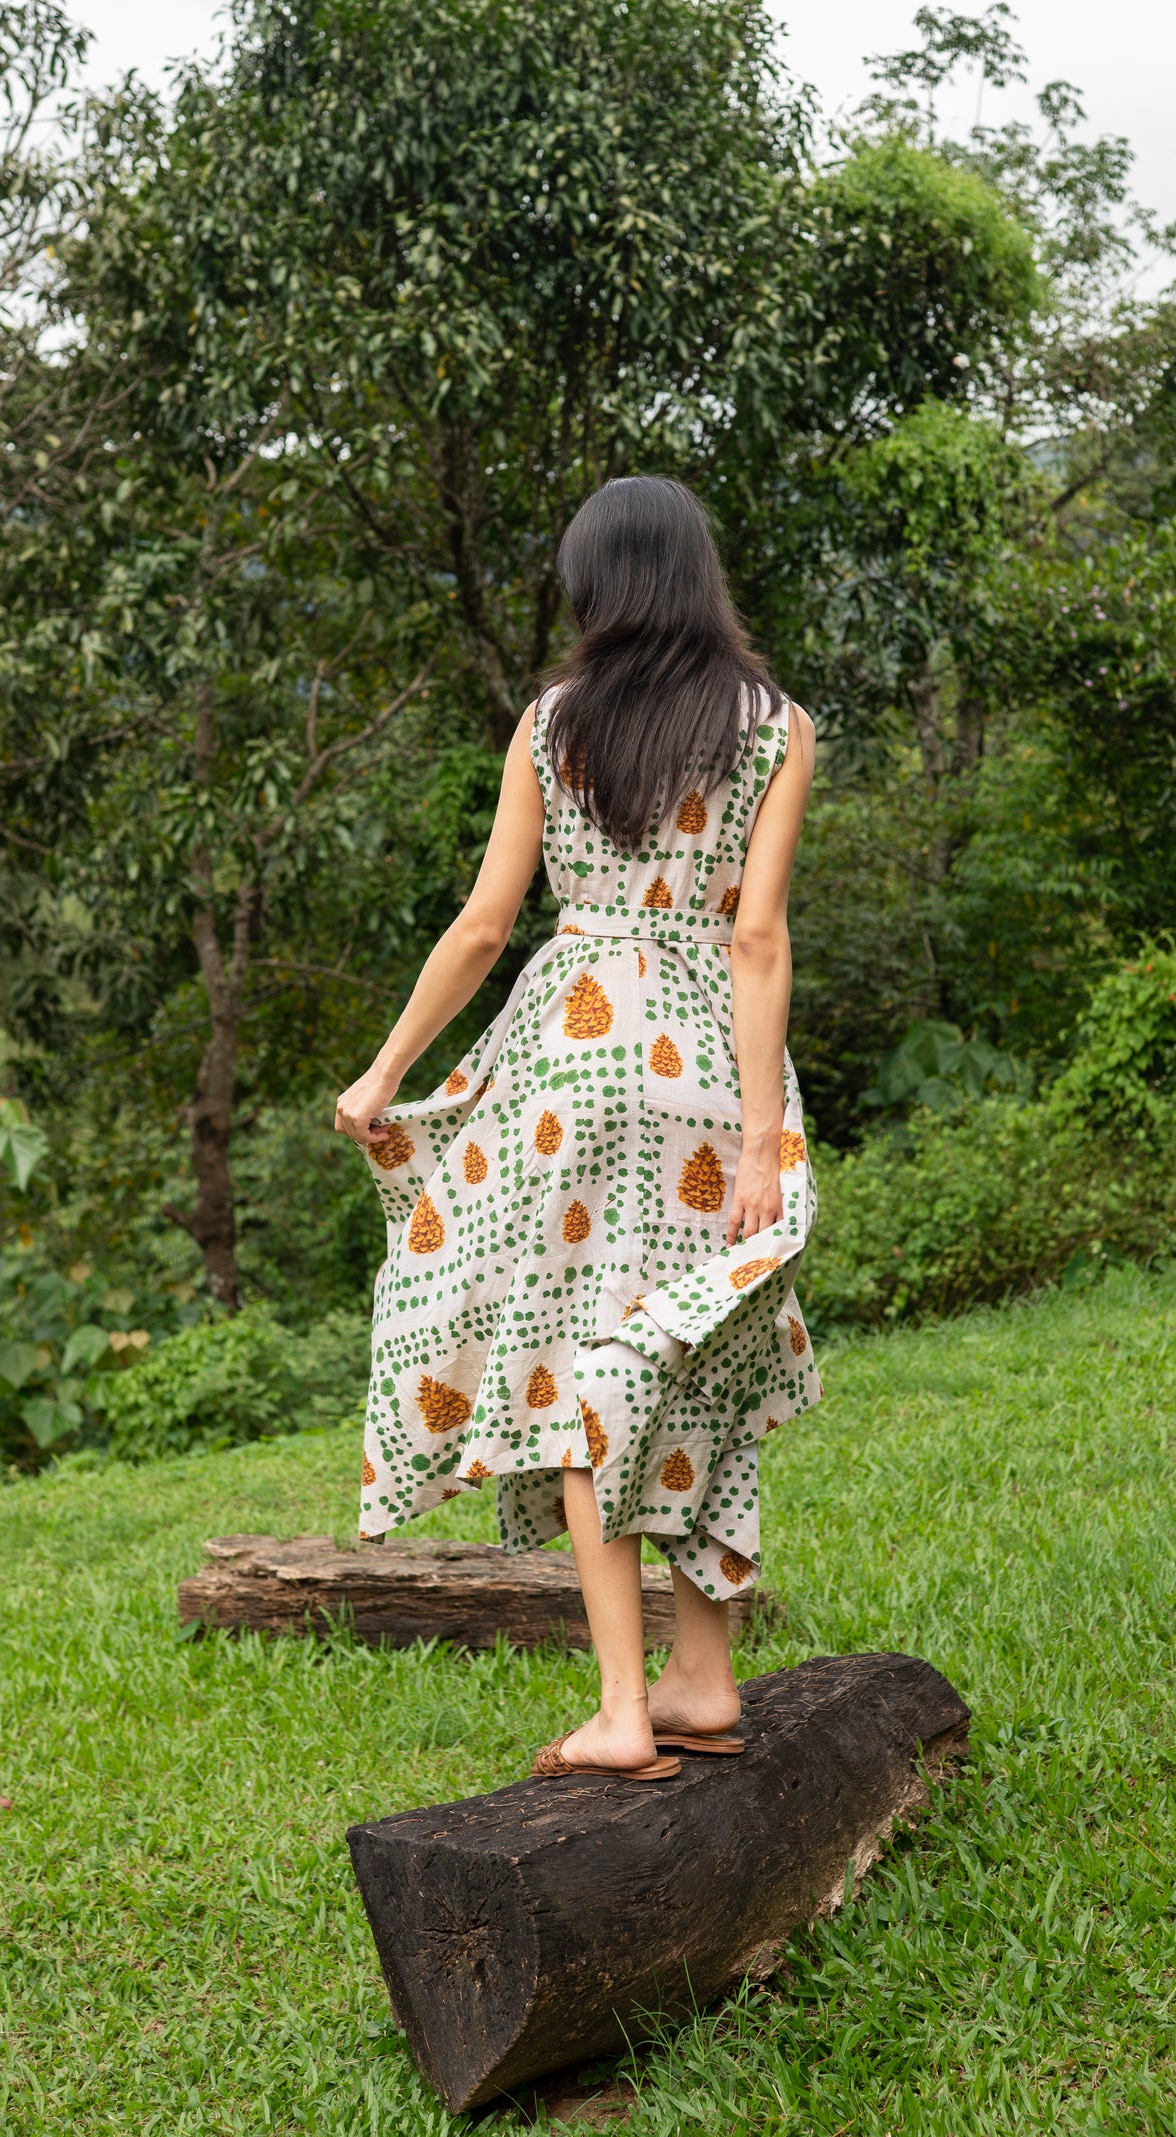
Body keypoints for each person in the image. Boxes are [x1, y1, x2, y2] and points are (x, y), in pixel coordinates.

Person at [334, 475, 819, 1781]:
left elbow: (485, 925)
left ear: (596, 584)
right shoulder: (777, 726)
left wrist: (385, 1073)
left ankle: (624, 1703)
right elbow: (759, 938)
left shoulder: (554, 723)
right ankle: (700, 1674)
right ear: (699, 573)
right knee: (699, 1354)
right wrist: (762, 1141)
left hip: (572, 1063)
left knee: (577, 1365)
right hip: (711, 1074)